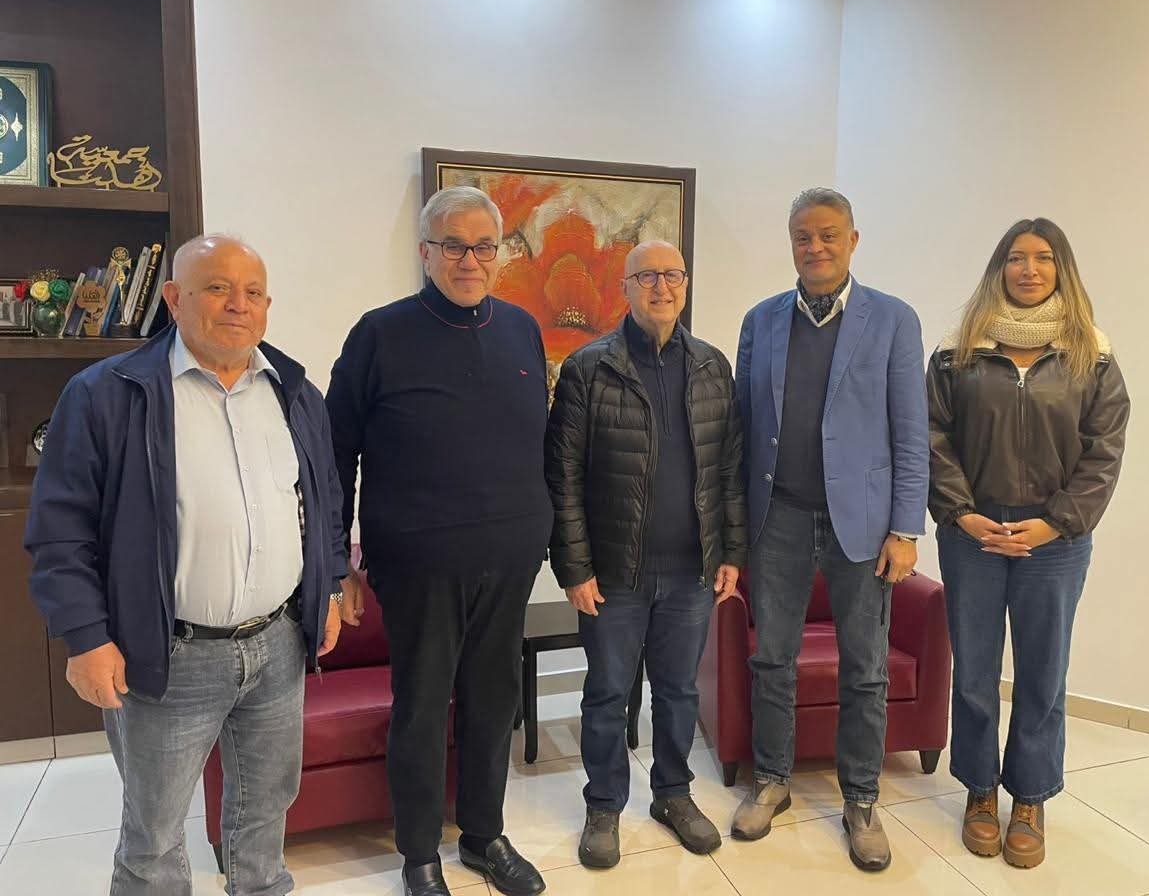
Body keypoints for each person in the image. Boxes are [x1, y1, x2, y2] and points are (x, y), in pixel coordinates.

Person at [25, 234, 349, 896]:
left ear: (267, 306)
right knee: (154, 835)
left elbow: (323, 499)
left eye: (253, 292)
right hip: (166, 655)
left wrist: (332, 586)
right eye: (218, 288)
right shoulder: (106, 394)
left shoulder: (293, 391)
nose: (238, 305)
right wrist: (86, 637)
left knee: (266, 809)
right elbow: (60, 531)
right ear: (174, 298)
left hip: (278, 644)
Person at [326, 186, 551, 896]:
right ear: (425, 252)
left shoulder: (522, 329)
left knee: (494, 704)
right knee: (422, 710)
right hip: (418, 564)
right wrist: (336, 562)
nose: (469, 260)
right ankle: (419, 852)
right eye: (454, 245)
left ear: (500, 254)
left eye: (484, 246)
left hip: (510, 560)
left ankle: (484, 836)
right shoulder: (379, 334)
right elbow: (334, 456)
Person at [730, 188, 928, 871]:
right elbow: (742, 429)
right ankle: (772, 780)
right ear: (790, 243)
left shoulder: (893, 320)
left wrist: (906, 529)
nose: (814, 247)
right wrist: (735, 525)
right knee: (771, 659)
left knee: (865, 669)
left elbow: (911, 433)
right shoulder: (761, 320)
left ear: (853, 240)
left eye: (827, 235)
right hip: (777, 517)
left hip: (864, 527)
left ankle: (862, 800)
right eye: (802, 237)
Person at [927, 217, 1129, 869]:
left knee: (1043, 673)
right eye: (1017, 258)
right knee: (975, 672)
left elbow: (1104, 452)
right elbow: (932, 437)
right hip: (973, 536)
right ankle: (980, 791)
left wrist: (1055, 523)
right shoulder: (958, 351)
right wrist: (962, 515)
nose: (1029, 269)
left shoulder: (1091, 356)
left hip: (1055, 542)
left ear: (1061, 269)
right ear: (1000, 268)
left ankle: (1031, 799)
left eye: (1043, 258)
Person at [546, 240, 747, 869]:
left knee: (679, 693)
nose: (662, 287)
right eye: (648, 276)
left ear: (685, 284)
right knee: (608, 693)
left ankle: (673, 794)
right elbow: (563, 477)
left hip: (691, 570)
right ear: (625, 288)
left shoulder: (712, 366)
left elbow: (730, 469)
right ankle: (604, 804)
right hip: (614, 574)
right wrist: (575, 567)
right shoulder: (588, 369)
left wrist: (731, 550)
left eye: (673, 275)